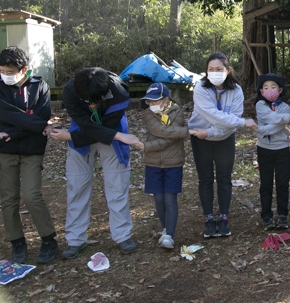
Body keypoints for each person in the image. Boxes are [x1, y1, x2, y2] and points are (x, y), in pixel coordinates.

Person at [50, 67, 140, 259]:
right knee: (77, 185)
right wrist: (70, 136)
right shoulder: (70, 90)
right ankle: (75, 239)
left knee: (117, 185)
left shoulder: (120, 92)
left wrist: (70, 136)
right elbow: (86, 124)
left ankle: (122, 235)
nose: (91, 105)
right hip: (84, 133)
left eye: (94, 101)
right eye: (86, 101)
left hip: (111, 131)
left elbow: (105, 128)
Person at [188, 52, 258, 238]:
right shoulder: (200, 89)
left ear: (228, 70)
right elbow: (214, 115)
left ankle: (224, 218)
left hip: (223, 139)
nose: (214, 72)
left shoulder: (236, 90)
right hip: (200, 138)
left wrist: (211, 132)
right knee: (205, 179)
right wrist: (242, 122)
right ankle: (209, 219)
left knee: (224, 178)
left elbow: (230, 122)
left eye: (219, 69)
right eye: (210, 69)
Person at [0, 46, 58, 263]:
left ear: (23, 69)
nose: (5, 75)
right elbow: (6, 115)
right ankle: (17, 242)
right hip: (5, 151)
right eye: (2, 71)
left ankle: (49, 239)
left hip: (32, 150)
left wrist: (12, 130)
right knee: (9, 198)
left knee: (32, 195)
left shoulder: (39, 86)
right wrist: (35, 124)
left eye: (9, 71)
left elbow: (43, 117)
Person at [133, 83, 188, 249]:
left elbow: (171, 138)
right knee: (158, 198)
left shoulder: (177, 112)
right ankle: (165, 229)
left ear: (165, 100)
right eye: (149, 102)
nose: (151, 105)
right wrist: (184, 132)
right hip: (153, 163)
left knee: (170, 198)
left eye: (155, 101)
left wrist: (148, 146)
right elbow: (160, 132)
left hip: (173, 162)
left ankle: (170, 235)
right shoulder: (148, 114)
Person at [255, 73, 290, 230]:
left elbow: (277, 125)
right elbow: (274, 119)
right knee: (266, 184)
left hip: (282, 149)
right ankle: (266, 216)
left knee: (282, 183)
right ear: (261, 91)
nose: (269, 90)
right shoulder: (260, 105)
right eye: (265, 88)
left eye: (273, 87)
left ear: (280, 90)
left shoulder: (285, 107)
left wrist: (260, 129)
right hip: (264, 149)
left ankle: (283, 215)